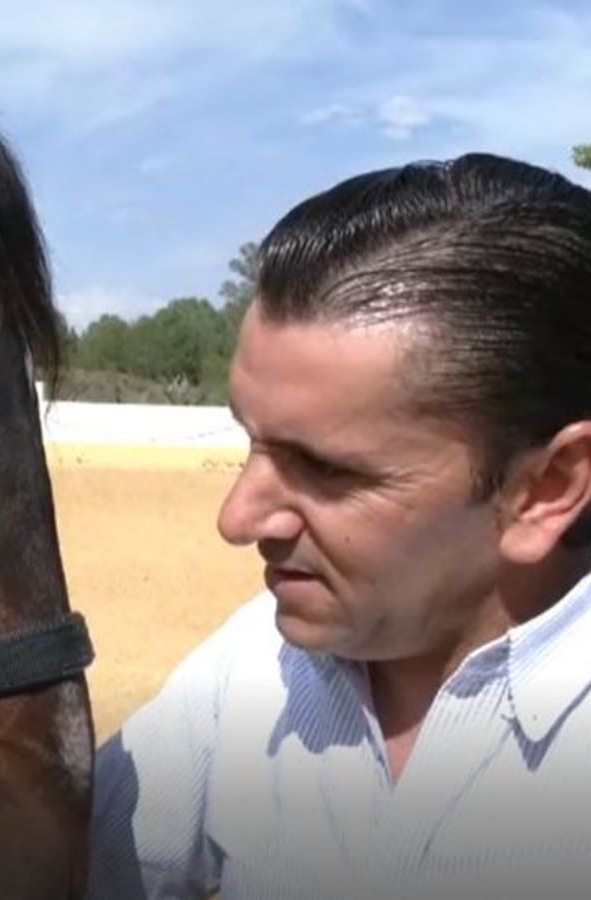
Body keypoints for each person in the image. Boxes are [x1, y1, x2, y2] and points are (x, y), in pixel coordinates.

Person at [87, 154, 591, 900]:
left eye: (325, 470)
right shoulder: (257, 663)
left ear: (546, 490)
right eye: (250, 441)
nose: (237, 518)